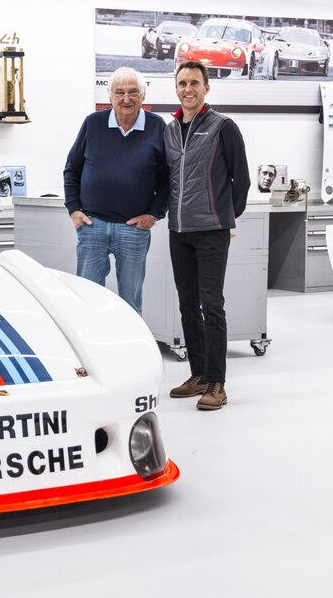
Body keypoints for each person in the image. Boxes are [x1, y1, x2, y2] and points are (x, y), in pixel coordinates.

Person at [165, 60, 250, 411]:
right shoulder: (170, 130)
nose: (188, 89)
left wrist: (225, 218)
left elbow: (241, 180)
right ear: (177, 88)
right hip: (179, 230)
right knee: (187, 305)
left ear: (206, 88)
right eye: (182, 83)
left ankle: (217, 383)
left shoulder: (223, 126)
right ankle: (198, 374)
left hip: (212, 231)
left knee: (211, 305)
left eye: (194, 83)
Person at [63, 66, 169, 315]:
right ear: (110, 96)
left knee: (131, 303)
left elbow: (168, 179)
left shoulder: (157, 126)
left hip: (133, 230)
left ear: (143, 95)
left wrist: (154, 215)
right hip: (92, 227)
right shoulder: (93, 123)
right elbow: (72, 169)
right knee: (87, 300)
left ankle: (130, 341)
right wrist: (74, 210)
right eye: (119, 92)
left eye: (133, 92)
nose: (126, 99)